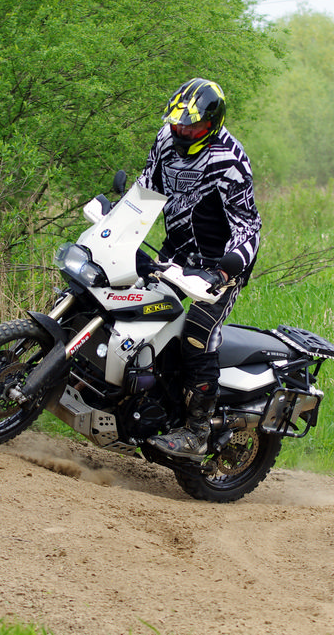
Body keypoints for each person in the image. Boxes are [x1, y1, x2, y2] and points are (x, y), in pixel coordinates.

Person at [137, 78, 262, 460]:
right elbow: (146, 189)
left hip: (217, 267)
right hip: (175, 253)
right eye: (178, 123)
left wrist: (223, 273)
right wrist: (118, 223)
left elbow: (249, 227)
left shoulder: (230, 160)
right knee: (131, 303)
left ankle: (197, 432)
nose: (182, 131)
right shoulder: (165, 139)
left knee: (197, 331)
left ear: (211, 124)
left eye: (190, 126)